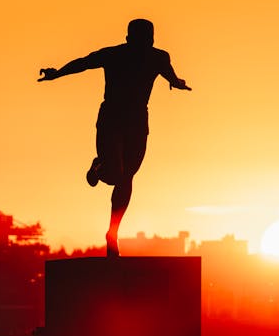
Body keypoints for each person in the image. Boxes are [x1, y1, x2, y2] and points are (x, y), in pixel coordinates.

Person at [39, 18, 191, 257]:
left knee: (126, 177)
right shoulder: (113, 54)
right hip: (111, 118)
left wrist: (178, 83)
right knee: (114, 174)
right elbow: (83, 63)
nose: (144, 44)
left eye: (148, 40)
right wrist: (57, 73)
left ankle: (113, 233)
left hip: (137, 122)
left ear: (152, 40)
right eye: (140, 39)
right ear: (129, 39)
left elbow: (170, 75)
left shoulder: (158, 57)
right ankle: (99, 167)